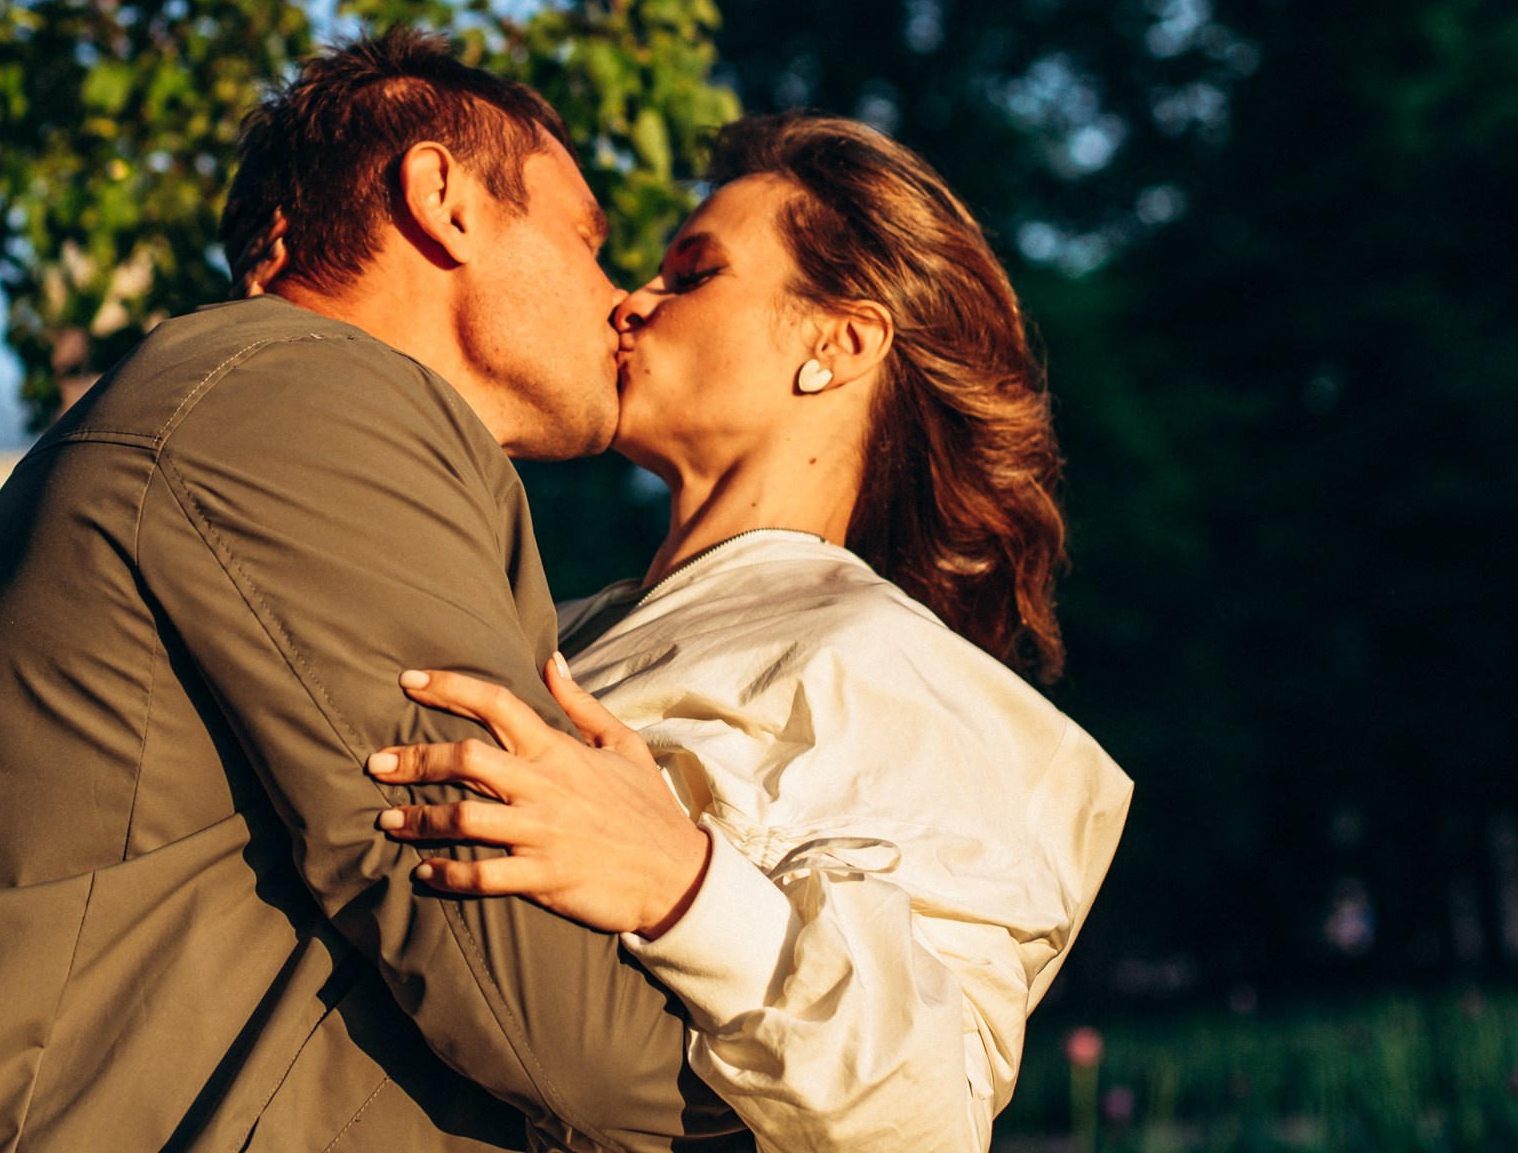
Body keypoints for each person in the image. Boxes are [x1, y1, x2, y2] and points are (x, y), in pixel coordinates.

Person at [0, 29, 746, 1152]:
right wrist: (816, 1094)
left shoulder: (269, 411)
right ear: (444, 199)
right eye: (588, 240)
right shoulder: (304, 401)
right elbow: (527, 984)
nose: (621, 294)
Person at [362, 115, 1133, 1152]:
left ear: (837, 342)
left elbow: (925, 1114)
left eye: (694, 272)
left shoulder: (897, 670)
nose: (632, 300)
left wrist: (682, 883)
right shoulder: (556, 618)